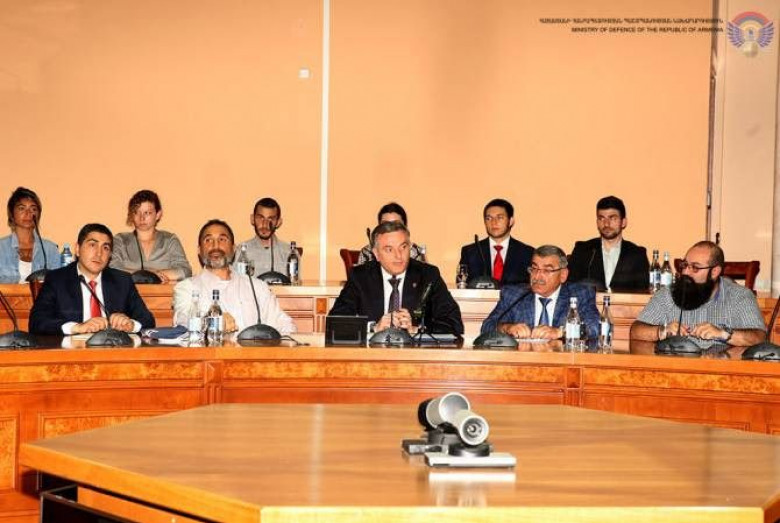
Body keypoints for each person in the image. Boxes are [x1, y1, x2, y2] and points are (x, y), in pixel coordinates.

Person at [330, 221, 463, 335]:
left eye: (403, 247)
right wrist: (373, 328)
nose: (398, 256)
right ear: (376, 254)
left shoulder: (428, 275)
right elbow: (335, 323)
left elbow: (454, 324)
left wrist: (416, 329)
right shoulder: (360, 277)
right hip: (373, 354)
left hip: (414, 355)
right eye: (389, 249)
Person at [630, 241, 765, 347]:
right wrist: (661, 331)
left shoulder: (740, 296)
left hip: (722, 370)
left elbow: (759, 337)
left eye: (695, 267)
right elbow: (636, 331)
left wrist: (723, 334)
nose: (686, 272)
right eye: (685, 265)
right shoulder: (668, 294)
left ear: (714, 272)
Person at [173, 219, 295, 334]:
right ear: (199, 250)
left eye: (222, 239)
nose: (215, 246)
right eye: (208, 240)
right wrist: (211, 321)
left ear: (233, 249)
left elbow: (284, 324)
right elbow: (183, 321)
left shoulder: (257, 287)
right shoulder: (186, 288)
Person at [29, 223, 155, 335]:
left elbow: (148, 320)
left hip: (112, 350)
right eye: (92, 245)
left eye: (105, 248)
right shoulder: (57, 280)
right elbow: (37, 322)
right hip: (72, 351)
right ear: (77, 249)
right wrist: (76, 327)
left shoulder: (122, 281)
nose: (99, 253)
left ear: (110, 255)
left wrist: (131, 324)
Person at [481, 245, 599, 339]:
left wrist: (560, 332)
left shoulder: (580, 294)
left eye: (547, 270)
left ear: (563, 275)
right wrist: (507, 328)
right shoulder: (514, 295)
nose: (537, 276)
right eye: (534, 269)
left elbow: (595, 327)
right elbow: (487, 326)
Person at [568, 195, 649, 292]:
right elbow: (569, 287)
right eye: (601, 218)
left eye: (612, 218)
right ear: (597, 222)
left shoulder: (637, 254)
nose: (606, 224)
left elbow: (644, 292)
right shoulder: (583, 250)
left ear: (623, 222)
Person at [110, 190, 192, 283]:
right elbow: (113, 269)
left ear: (158, 214)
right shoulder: (120, 240)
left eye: (147, 213)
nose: (142, 218)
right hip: (127, 292)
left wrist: (149, 275)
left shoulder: (169, 240)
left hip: (162, 292)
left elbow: (185, 271)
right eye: (136, 212)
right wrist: (150, 276)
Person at [459, 198, 533, 286]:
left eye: (500, 217)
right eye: (489, 218)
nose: (494, 222)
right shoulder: (470, 252)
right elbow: (462, 284)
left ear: (511, 221)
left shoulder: (527, 253)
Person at [0, 187, 60, 283]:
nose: (28, 213)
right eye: (22, 208)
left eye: (33, 209)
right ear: (11, 214)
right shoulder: (1, 248)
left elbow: (58, 285)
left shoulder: (50, 250)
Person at [356, 202, 425, 265]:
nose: (391, 229)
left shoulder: (413, 251)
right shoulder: (367, 252)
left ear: (405, 227)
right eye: (385, 224)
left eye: (396, 224)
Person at [238, 197, 292, 277]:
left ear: (278, 222)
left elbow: (295, 282)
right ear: (252, 219)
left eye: (271, 219)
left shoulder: (289, 252)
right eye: (260, 218)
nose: (265, 224)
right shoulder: (241, 251)